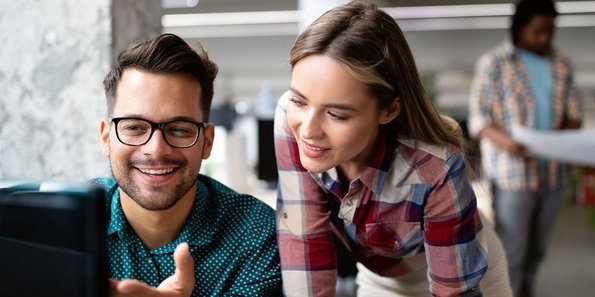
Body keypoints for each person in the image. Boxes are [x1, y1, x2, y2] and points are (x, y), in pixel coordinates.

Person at [274, 1, 512, 296]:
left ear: (388, 111)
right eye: (300, 101)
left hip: (461, 266)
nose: (308, 130)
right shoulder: (289, 120)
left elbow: (454, 289)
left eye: (337, 115)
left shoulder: (434, 168)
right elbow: (305, 241)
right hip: (383, 276)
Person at [95, 33, 282, 297]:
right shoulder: (60, 224)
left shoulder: (255, 233)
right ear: (106, 138)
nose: (156, 149)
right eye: (134, 127)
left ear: (207, 142)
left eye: (180, 130)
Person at [468, 0, 582, 296]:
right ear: (519, 29)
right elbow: (478, 119)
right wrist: (507, 142)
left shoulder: (560, 64)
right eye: (537, 31)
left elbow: (574, 114)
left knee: (537, 253)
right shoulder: (493, 63)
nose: (544, 38)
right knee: (512, 254)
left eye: (550, 31)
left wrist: (559, 135)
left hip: (554, 175)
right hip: (513, 177)